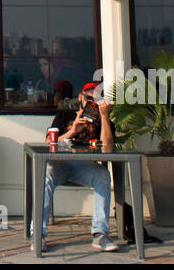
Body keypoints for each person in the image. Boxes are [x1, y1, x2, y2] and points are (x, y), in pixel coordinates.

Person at [35, 81, 118, 252]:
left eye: (98, 99)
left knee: (103, 175)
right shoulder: (65, 114)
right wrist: (72, 131)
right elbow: (47, 143)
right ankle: (38, 235)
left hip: (85, 166)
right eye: (89, 98)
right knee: (45, 176)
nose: (93, 102)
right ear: (81, 97)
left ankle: (100, 233)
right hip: (61, 164)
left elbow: (108, 148)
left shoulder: (103, 119)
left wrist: (104, 116)